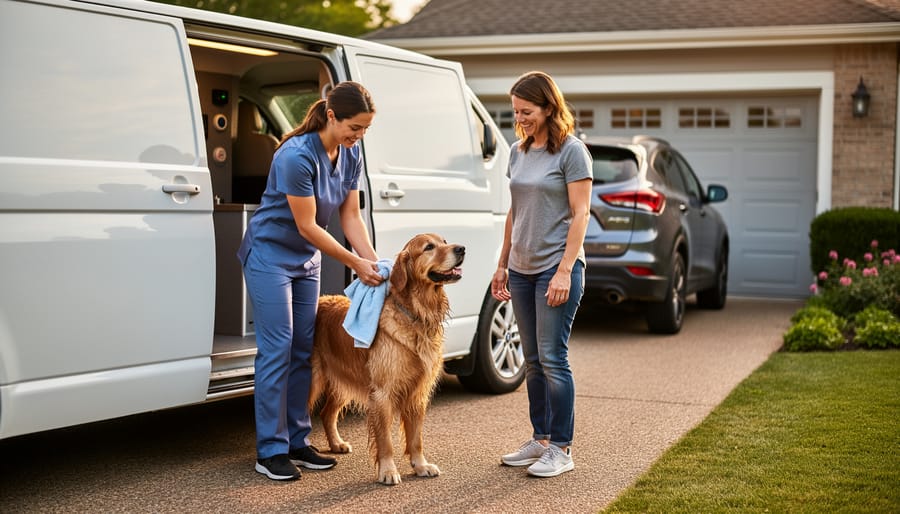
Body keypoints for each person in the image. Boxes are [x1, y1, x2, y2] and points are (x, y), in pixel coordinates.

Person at [238, 81, 385, 481]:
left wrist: (374, 264)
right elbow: (306, 225)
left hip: (307, 260)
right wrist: (354, 261)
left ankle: (299, 442)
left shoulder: (351, 154)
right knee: (278, 347)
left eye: (366, 129)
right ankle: (270, 451)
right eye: (355, 127)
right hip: (270, 255)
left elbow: (350, 217)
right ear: (332, 115)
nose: (359, 136)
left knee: (304, 346)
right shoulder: (295, 156)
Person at [492, 71, 592, 478]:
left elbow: (581, 213)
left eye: (527, 111)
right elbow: (515, 213)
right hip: (521, 269)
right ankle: (541, 438)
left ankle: (562, 448)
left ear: (550, 107)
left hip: (556, 268)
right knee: (531, 360)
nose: (520, 118)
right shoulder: (518, 151)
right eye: (516, 111)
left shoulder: (572, 151)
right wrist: (502, 263)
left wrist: (565, 270)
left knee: (553, 358)